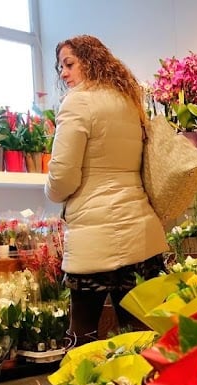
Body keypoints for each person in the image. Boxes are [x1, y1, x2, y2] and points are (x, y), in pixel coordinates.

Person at [45, 35, 168, 342]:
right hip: (140, 232)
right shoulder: (126, 100)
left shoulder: (77, 103)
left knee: (82, 337)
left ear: (89, 60)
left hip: (95, 239)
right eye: (61, 66)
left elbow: (62, 177)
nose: (63, 73)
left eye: (69, 64)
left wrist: (52, 192)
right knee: (139, 338)